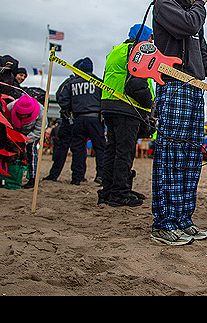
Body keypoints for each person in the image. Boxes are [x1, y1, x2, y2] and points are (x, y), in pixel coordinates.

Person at [151, 0, 207, 245]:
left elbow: (200, 49)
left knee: (191, 158)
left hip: (194, 89)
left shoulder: (195, 15)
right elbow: (186, 26)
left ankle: (183, 219)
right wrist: (201, 5)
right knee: (171, 156)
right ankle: (164, 223)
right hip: (173, 87)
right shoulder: (164, 5)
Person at [98, 23, 154, 208]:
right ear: (145, 37)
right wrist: (149, 105)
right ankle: (120, 193)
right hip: (127, 106)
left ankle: (108, 190)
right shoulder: (137, 51)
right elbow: (137, 85)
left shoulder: (116, 51)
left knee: (112, 149)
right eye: (151, 38)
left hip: (109, 104)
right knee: (124, 151)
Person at [57, 57, 106, 186]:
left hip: (78, 118)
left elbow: (63, 100)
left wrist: (71, 109)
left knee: (78, 148)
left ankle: (77, 177)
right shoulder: (98, 82)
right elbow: (105, 99)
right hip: (95, 118)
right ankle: (101, 175)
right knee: (100, 147)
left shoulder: (72, 83)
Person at [7, 94, 43, 188]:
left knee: (32, 152)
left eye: (25, 114)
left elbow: (39, 131)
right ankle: (9, 176)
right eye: (20, 114)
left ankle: (33, 178)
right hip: (15, 132)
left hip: (32, 134)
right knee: (11, 151)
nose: (22, 116)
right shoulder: (11, 106)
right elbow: (5, 121)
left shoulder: (41, 111)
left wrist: (25, 141)